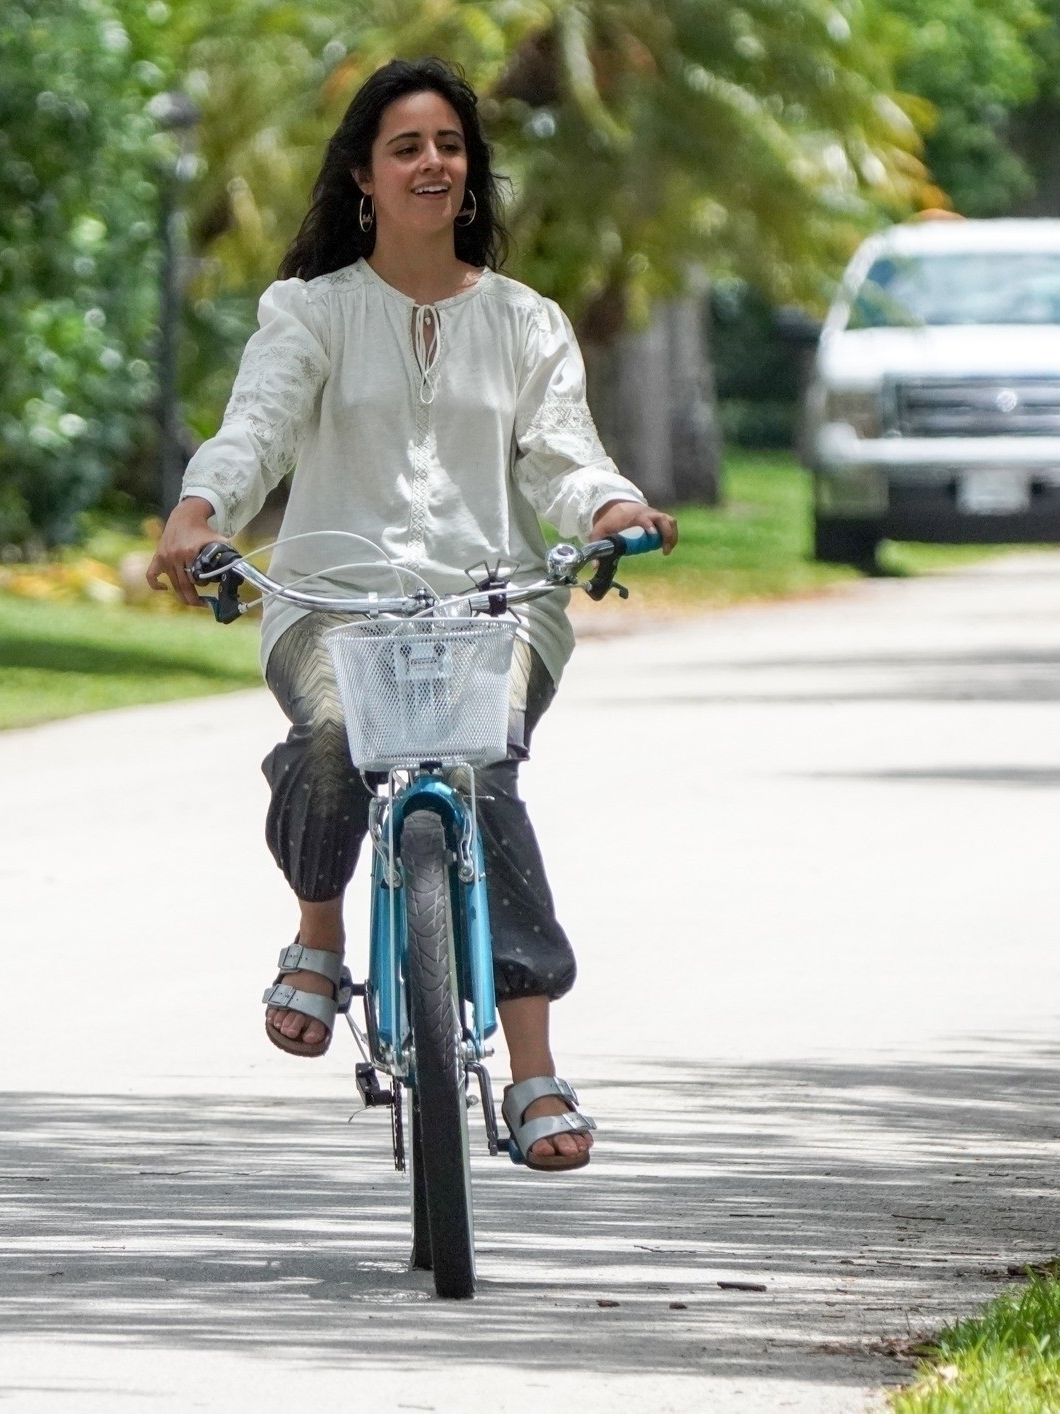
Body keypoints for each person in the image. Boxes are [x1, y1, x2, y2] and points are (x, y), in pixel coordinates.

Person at [147, 57, 676, 1172]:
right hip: (332, 606)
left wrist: (612, 507)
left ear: (470, 170)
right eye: (406, 148)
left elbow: (561, 453)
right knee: (334, 736)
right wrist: (199, 515)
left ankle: (532, 1071)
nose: (432, 163)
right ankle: (319, 931)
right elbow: (256, 431)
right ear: (363, 177)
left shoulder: (527, 322)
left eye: (449, 145)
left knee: (482, 775)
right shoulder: (309, 313)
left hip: (495, 610)